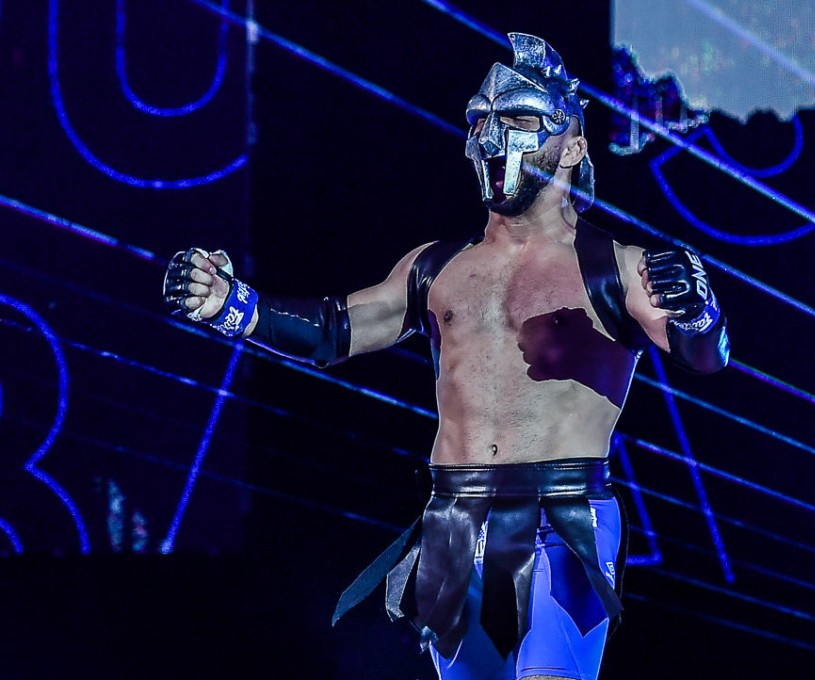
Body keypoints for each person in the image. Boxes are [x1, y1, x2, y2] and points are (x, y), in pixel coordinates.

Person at [162, 32, 729, 680]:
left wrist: (700, 310)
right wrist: (231, 306)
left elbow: (704, 356)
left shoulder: (615, 266)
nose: (494, 137)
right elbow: (334, 329)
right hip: (456, 518)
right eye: (482, 120)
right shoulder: (437, 267)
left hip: (562, 519)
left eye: (517, 120)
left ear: (572, 146)